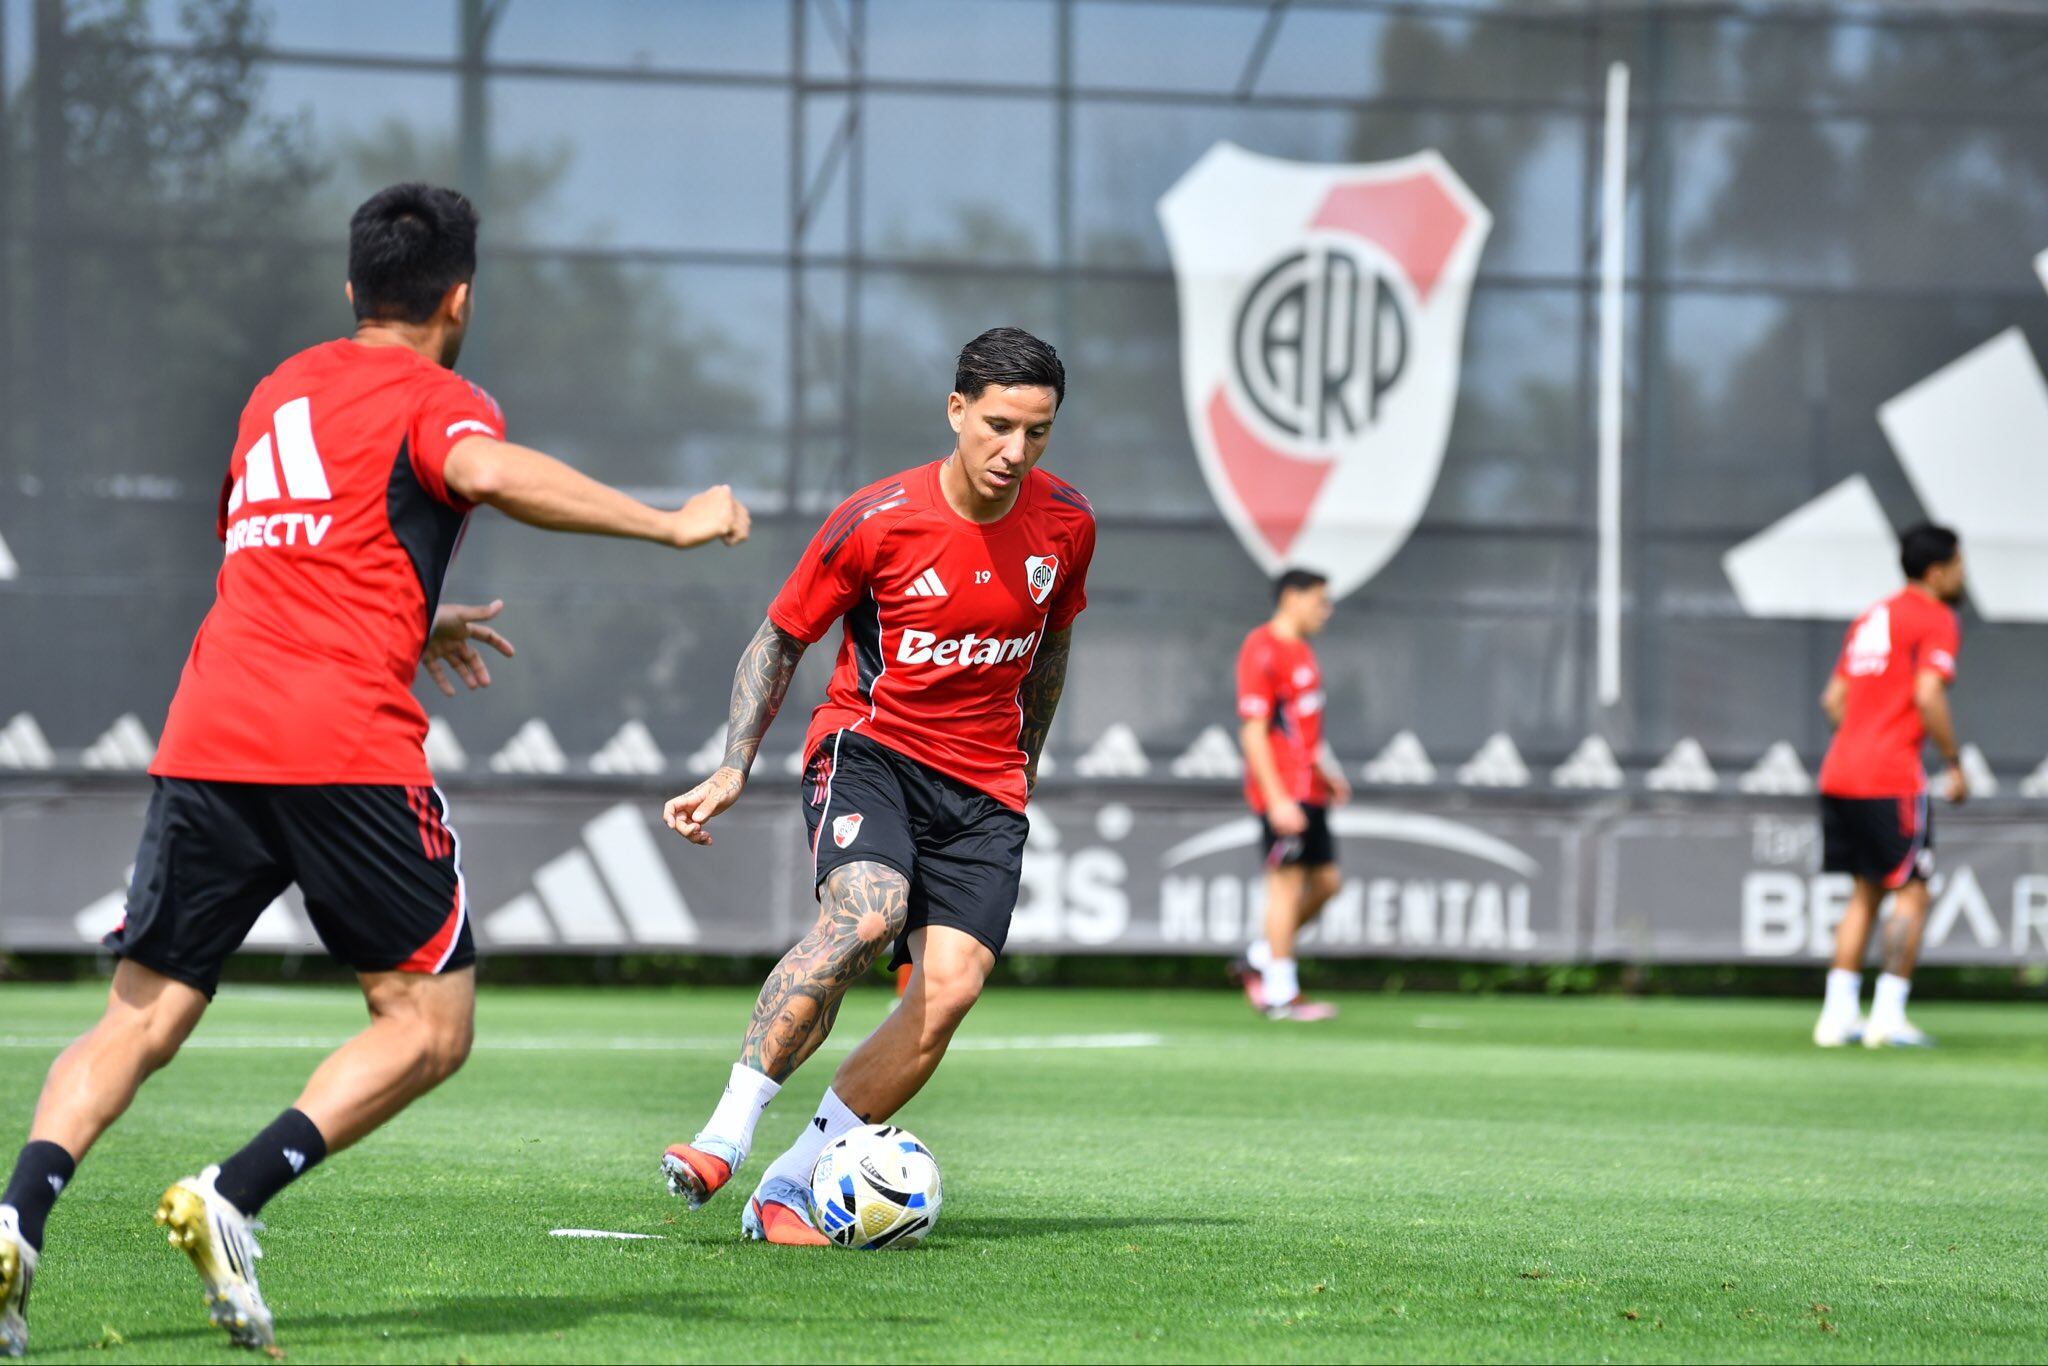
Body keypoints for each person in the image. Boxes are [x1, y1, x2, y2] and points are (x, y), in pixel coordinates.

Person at [0, 182, 749, 1356]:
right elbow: (483, 471)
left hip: (208, 732)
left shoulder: (273, 395)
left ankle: (14, 1218)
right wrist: (670, 522)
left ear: (353, 290)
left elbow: (291, 550)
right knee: (427, 1023)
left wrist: (414, 619)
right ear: (459, 297)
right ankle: (232, 1196)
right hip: (338, 742)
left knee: (137, 1017)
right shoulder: (438, 397)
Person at [657, 326, 1093, 1245]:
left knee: (950, 990)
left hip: (986, 788)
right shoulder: (879, 519)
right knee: (867, 915)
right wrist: (736, 761)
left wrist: (1028, 767)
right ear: (958, 410)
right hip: (873, 752)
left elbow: (1050, 648)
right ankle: (723, 1137)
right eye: (1002, 426)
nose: (1017, 452)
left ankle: (784, 1188)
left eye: (1040, 432)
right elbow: (781, 635)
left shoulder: (1067, 524)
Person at [1812, 523, 1967, 1049]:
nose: (1963, 576)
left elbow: (1833, 700)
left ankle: (1836, 1018)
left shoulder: (1871, 615)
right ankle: (1888, 1016)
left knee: (1865, 892)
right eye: (1960, 566)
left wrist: (1861, 737)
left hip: (1839, 771)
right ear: (1938, 570)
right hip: (1889, 776)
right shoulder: (1935, 617)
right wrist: (1953, 761)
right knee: (1914, 893)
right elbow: (1928, 694)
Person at [1229, 568, 1348, 1021]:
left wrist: (1326, 772)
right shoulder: (1262, 648)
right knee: (1286, 885)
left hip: (1310, 788)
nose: (1326, 609)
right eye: (1320, 600)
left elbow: (1301, 731)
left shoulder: (1304, 653)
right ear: (1291, 598)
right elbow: (1255, 733)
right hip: (1282, 791)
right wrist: (1276, 799)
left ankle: (1261, 956)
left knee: (1326, 884)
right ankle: (1280, 993)